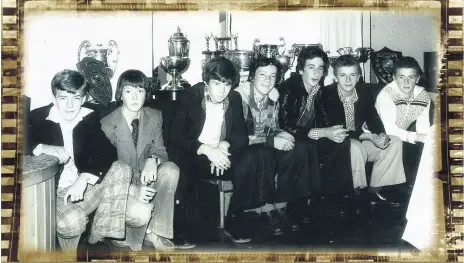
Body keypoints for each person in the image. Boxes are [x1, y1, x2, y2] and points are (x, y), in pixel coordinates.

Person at [26, 69, 131, 255]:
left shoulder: (89, 116)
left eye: (76, 98)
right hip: (53, 194)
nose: (69, 105)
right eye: (63, 98)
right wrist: (40, 147)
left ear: (83, 99)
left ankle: (98, 238)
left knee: (122, 169)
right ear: (54, 98)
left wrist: (83, 179)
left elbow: (107, 150)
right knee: (73, 222)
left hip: (80, 189)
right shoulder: (37, 117)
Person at [234, 57, 319, 235]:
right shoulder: (239, 96)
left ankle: (282, 205)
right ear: (252, 77)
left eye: (272, 76)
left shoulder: (273, 96)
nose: (268, 80)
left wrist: (281, 133)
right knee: (263, 153)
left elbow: (270, 127)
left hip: (263, 143)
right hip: (243, 150)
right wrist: (273, 140)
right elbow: (238, 136)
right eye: (262, 75)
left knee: (298, 147)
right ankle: (266, 209)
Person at [170, 57, 250, 243]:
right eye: (216, 83)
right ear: (207, 82)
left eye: (227, 85)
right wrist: (206, 149)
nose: (222, 90)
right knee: (182, 166)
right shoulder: (190, 96)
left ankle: (233, 220)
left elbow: (241, 136)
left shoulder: (234, 98)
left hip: (221, 154)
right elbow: (176, 137)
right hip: (195, 152)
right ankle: (180, 228)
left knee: (250, 161)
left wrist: (224, 145)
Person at [100, 69, 179, 251]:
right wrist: (133, 190)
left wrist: (153, 159)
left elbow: (160, 150)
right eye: (129, 91)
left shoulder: (155, 116)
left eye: (140, 91)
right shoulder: (107, 124)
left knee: (171, 169)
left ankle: (155, 232)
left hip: (146, 179)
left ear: (146, 94)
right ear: (120, 94)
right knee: (135, 223)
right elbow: (107, 173)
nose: (135, 97)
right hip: (122, 187)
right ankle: (126, 232)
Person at [321, 55, 405, 207]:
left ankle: (375, 191)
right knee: (355, 146)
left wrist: (381, 134)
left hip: (361, 138)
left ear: (359, 76)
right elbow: (338, 129)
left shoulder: (364, 92)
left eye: (352, 75)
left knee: (394, 142)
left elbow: (373, 117)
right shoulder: (326, 94)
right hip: (337, 145)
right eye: (342, 75)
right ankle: (355, 193)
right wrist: (369, 136)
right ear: (335, 77)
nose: (348, 80)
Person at [279, 46, 351, 211]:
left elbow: (325, 119)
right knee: (306, 146)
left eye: (320, 68)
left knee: (342, 142)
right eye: (311, 67)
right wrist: (323, 133)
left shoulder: (319, 90)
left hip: (309, 137)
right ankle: (298, 206)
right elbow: (285, 125)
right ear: (301, 70)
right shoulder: (289, 88)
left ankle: (334, 199)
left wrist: (334, 131)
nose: (316, 73)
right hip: (289, 137)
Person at [375, 56, 432, 189]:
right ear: (394, 78)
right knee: (400, 142)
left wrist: (430, 138)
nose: (406, 82)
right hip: (376, 136)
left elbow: (423, 127)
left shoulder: (423, 96)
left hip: (400, 137)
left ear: (417, 78)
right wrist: (417, 137)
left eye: (411, 77)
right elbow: (389, 130)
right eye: (401, 77)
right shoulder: (386, 95)